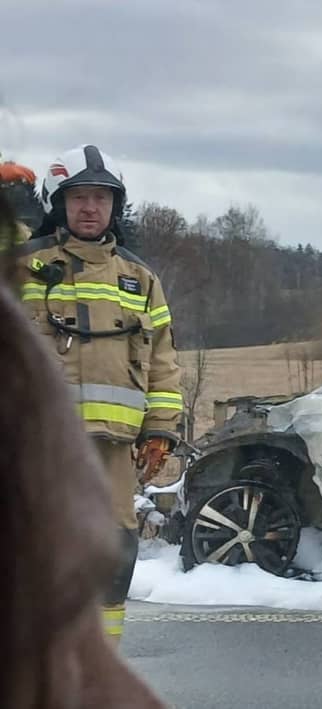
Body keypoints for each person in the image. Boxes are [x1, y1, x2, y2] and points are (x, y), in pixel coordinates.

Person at [2, 166, 165, 707]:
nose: (90, 208)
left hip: (113, 447)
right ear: (60, 204)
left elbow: (164, 359)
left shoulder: (140, 278)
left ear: (115, 207)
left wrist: (160, 430)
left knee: (113, 554)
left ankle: (97, 671)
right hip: (37, 448)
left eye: (100, 198)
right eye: (79, 198)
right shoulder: (29, 263)